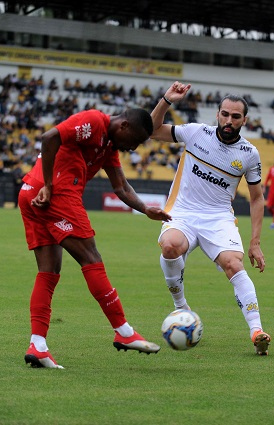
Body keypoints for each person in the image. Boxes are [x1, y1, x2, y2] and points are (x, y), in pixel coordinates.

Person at [19, 107, 171, 369]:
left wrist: (145, 209)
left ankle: (38, 345)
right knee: (91, 257)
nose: (132, 148)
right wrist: (49, 185)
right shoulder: (93, 121)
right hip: (56, 193)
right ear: (123, 126)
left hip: (31, 193)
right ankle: (123, 331)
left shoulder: (109, 146)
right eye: (133, 141)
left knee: (49, 272)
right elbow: (49, 137)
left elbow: (121, 187)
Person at [150, 82, 272, 356]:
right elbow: (154, 131)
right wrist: (166, 101)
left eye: (236, 116)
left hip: (217, 218)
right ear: (217, 114)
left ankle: (257, 331)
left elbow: (256, 198)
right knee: (170, 245)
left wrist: (255, 242)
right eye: (225, 114)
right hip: (182, 212)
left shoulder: (249, 154)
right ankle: (181, 307)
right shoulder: (195, 133)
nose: (229, 120)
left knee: (233, 263)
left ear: (244, 120)